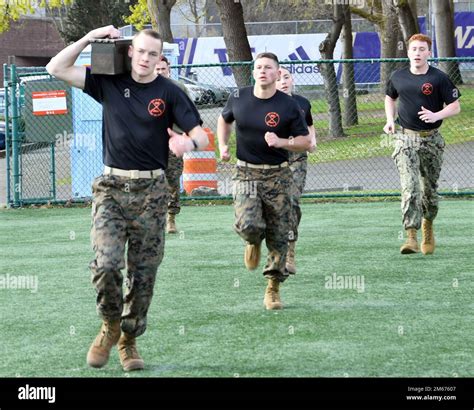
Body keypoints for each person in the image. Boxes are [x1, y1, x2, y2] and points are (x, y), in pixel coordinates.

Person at [46, 25, 208, 371]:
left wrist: (187, 144)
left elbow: (201, 136)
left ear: (159, 57)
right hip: (112, 189)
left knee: (144, 273)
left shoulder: (170, 92)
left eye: (154, 54)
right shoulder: (109, 81)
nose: (146, 59)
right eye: (141, 51)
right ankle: (109, 326)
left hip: (152, 193)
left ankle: (129, 338)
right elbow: (55, 68)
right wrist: (89, 38)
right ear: (130, 51)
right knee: (106, 265)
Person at [217, 52, 311, 310]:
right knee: (248, 223)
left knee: (280, 233)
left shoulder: (289, 105)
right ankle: (251, 241)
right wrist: (223, 145)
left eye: (268, 68)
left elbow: (306, 142)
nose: (262, 71)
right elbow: (224, 120)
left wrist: (281, 142)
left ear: (277, 73)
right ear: (253, 71)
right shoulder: (239, 96)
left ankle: (273, 288)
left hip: (278, 174)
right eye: (258, 67)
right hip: (245, 172)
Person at [384, 33, 461, 255]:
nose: (417, 53)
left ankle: (428, 226)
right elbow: (390, 97)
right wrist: (390, 120)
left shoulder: (439, 78)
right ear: (408, 52)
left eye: (421, 49)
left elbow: (455, 106)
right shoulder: (398, 76)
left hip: (432, 140)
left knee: (429, 191)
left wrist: (437, 115)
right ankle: (410, 236)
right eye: (413, 49)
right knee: (410, 187)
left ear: (429, 53)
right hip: (405, 139)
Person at [276, 66, 316, 274]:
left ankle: (290, 252)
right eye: (279, 78)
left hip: (297, 158)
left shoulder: (302, 103)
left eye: (286, 77)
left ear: (292, 80)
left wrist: (312, 140)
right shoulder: (267, 104)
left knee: (292, 202)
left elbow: (309, 125)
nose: (283, 82)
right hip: (273, 159)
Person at [155, 55, 188, 234]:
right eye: (157, 69)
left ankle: (171, 217)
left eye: (163, 69)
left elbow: (188, 112)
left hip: (173, 141)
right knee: (149, 180)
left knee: (172, 179)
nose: (160, 72)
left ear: (169, 69)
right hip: (150, 142)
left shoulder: (178, 88)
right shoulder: (145, 87)